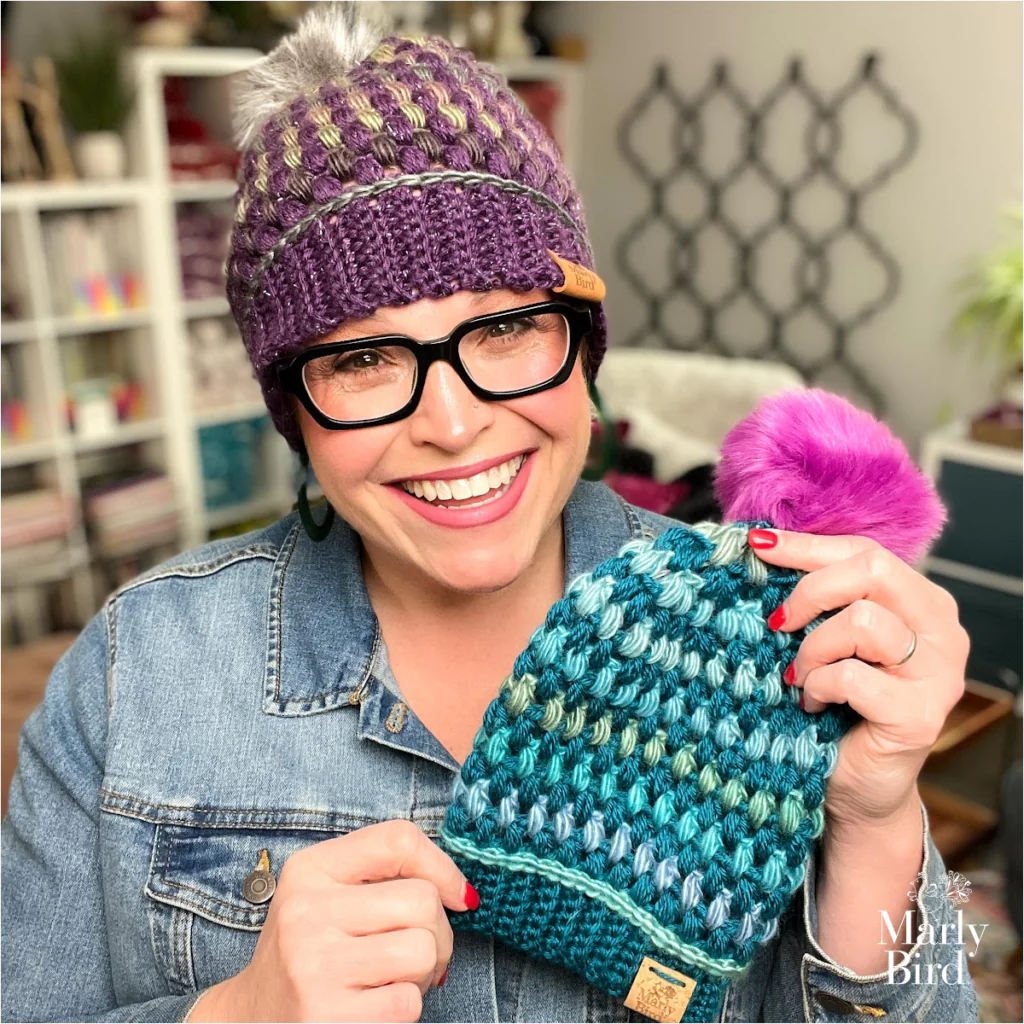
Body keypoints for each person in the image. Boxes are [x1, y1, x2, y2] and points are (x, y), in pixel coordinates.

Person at [1, 6, 979, 1022]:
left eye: (507, 328)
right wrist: (231, 1013)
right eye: (363, 357)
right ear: (296, 410)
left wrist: (873, 822)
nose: (454, 422)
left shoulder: (770, 643)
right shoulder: (137, 676)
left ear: (583, 345)